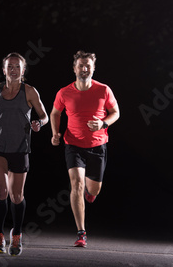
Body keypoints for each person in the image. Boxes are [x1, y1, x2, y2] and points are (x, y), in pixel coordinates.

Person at [50, 50, 120, 248]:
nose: (84, 68)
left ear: (93, 68)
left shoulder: (104, 90)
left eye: (88, 65)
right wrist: (55, 133)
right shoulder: (64, 92)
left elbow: (116, 112)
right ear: (74, 68)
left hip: (98, 146)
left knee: (92, 189)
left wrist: (103, 124)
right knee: (77, 185)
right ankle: (81, 233)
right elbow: (55, 112)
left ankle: (92, 193)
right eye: (81, 65)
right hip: (73, 145)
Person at [0, 52, 48, 256]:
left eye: (17, 67)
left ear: (23, 70)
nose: (13, 70)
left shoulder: (29, 91)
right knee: (1, 192)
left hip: (20, 149)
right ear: (4, 70)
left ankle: (17, 234)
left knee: (17, 196)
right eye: (9, 66)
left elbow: (44, 115)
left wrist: (39, 123)